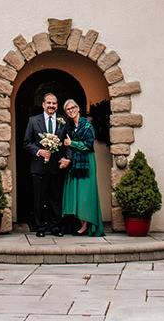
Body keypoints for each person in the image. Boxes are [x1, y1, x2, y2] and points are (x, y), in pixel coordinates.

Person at [22, 92, 65, 237]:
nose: (51, 106)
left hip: (56, 167)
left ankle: (55, 227)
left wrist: (67, 159)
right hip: (39, 167)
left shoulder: (62, 121)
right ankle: (40, 228)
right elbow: (27, 143)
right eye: (49, 103)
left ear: (57, 105)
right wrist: (39, 151)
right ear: (43, 104)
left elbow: (67, 145)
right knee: (39, 199)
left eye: (54, 103)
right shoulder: (33, 121)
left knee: (55, 199)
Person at [60, 98, 104, 236]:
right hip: (75, 163)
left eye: (73, 107)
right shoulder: (70, 126)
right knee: (76, 194)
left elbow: (88, 145)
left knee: (86, 194)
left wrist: (72, 143)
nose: (71, 110)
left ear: (78, 108)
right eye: (68, 109)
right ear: (66, 113)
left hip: (87, 162)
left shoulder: (87, 125)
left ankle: (87, 225)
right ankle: (82, 224)